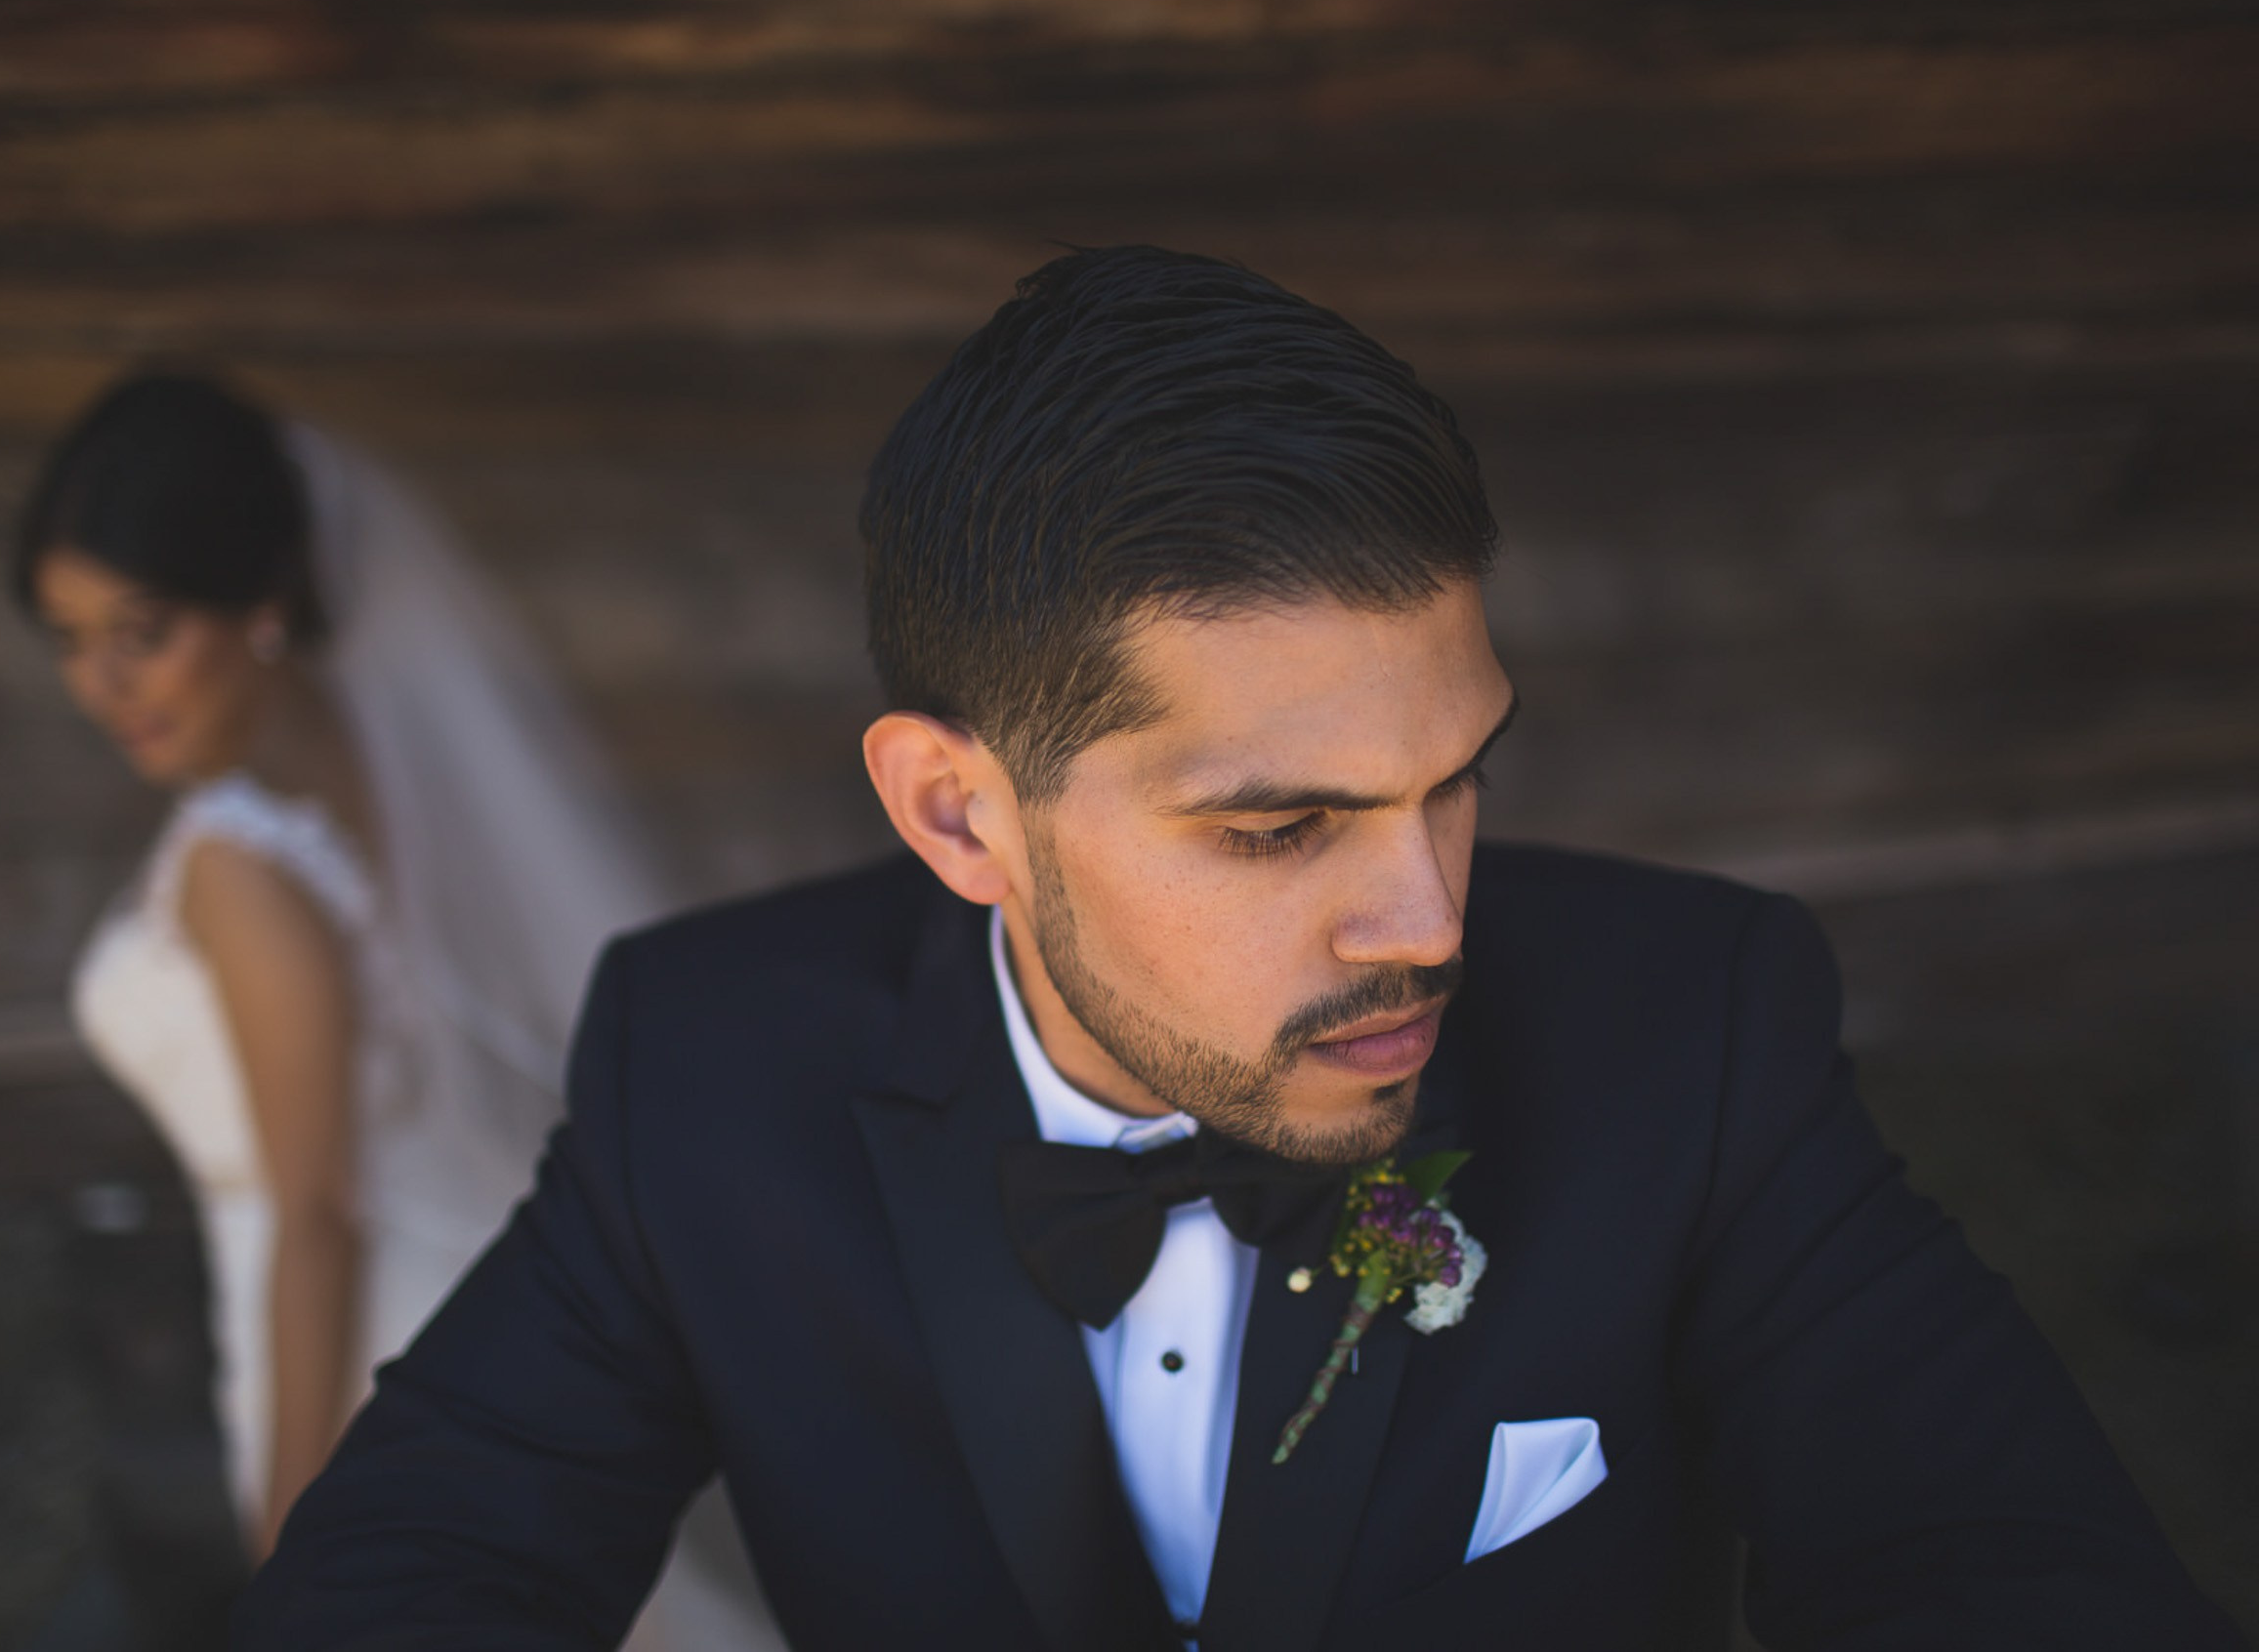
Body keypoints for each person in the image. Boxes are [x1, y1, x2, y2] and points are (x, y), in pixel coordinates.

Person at [235, 251, 2240, 1650]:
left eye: (1452, 777)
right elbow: (417, 1568)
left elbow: (2005, 1569)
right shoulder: (702, 1067)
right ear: (958, 814)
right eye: (1277, 827)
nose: (1429, 918)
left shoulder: (1690, 1030)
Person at [16, 374, 774, 1647]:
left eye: (141, 631)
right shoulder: (349, 760)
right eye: (71, 639)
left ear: (259, 602)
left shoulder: (236, 863)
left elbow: (317, 1215)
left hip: (361, 1339)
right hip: (457, 1288)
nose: (103, 684)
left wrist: (296, 1551)